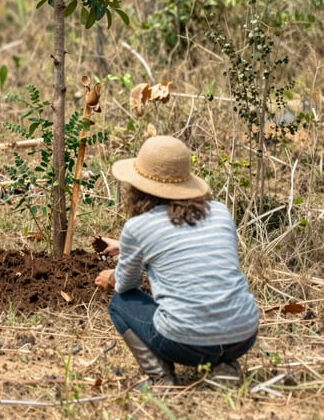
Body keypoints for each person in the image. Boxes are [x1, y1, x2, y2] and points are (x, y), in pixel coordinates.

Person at [95, 135, 259, 387]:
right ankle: (225, 367)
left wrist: (112, 277)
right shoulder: (220, 212)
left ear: (138, 187)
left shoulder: (138, 227)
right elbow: (193, 250)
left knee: (120, 302)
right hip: (243, 334)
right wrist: (125, 246)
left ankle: (161, 379)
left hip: (185, 343)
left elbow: (127, 284)